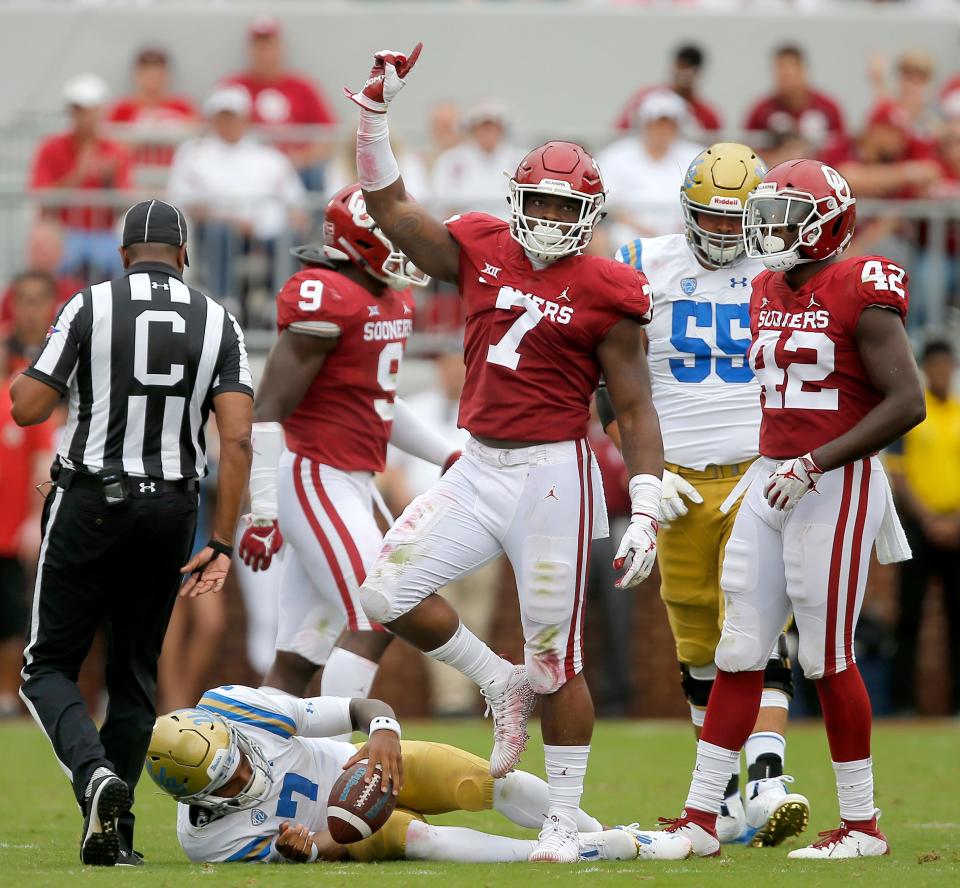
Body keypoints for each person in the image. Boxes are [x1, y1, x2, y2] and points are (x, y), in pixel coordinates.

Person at [345, 45, 667, 863]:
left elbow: (632, 404)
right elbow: (390, 207)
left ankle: (563, 815)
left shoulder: (610, 289)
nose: (552, 222)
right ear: (517, 200)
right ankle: (495, 680)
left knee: (556, 655)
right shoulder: (482, 245)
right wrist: (375, 117)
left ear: (589, 216)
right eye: (541, 205)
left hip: (558, 475)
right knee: (386, 590)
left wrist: (651, 499)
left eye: (567, 210)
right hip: (480, 462)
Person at [659, 159, 926, 859]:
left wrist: (816, 463)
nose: (769, 230)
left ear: (826, 223)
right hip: (770, 477)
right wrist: (783, 465)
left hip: (831, 483)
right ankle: (699, 818)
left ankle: (863, 826)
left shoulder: (860, 284)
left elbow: (907, 402)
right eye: (767, 216)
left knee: (826, 657)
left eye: (785, 217)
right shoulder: (766, 289)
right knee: (739, 648)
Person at [12, 199, 254, 867]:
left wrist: (40, 361)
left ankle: (93, 776)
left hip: (92, 497)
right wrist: (224, 540)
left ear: (123, 255)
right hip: (174, 509)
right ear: (183, 255)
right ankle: (115, 841)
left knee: (48, 666)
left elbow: (28, 408)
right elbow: (235, 438)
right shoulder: (220, 320)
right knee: (134, 675)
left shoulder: (89, 305)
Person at [605, 143, 809, 848]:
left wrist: (784, 458)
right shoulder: (640, 264)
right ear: (685, 212)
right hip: (677, 481)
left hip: (757, 469)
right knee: (696, 639)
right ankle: (719, 798)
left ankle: (768, 774)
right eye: (709, 220)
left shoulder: (784, 272)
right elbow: (608, 379)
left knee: (757, 623)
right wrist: (642, 474)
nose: (724, 235)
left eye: (735, 223)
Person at [237, 183, 460, 705]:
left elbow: (381, 401)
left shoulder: (389, 297)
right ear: (363, 239)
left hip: (349, 481)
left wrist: (447, 454)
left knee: (299, 654)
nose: (408, 247)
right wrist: (263, 514)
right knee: (380, 613)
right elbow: (268, 412)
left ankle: (251, 766)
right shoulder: (325, 294)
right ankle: (348, 758)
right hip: (315, 474)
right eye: (395, 235)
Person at [146, 685, 691, 864]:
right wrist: (312, 848)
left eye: (239, 761)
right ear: (201, 799)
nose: (245, 777)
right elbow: (311, 849)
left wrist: (383, 732)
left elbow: (360, 706)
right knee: (421, 838)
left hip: (360, 766)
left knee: (495, 782)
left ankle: (595, 830)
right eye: (230, 785)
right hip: (342, 828)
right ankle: (569, 853)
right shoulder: (206, 839)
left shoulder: (234, 706)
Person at [384, 349, 502, 717]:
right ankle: (450, 703)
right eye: (447, 365)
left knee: (477, 614)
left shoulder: (489, 411)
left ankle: (471, 700)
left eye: (459, 365)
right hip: (428, 529)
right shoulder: (415, 407)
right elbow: (393, 470)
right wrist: (417, 514)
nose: (452, 373)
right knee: (435, 610)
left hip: (480, 526)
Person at [167, 85, 307, 318]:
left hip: (265, 233)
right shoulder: (193, 154)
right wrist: (229, 220)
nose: (228, 124)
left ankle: (280, 301)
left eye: (232, 117)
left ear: (245, 119)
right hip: (214, 231)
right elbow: (182, 200)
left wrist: (284, 222)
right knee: (219, 232)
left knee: (288, 238)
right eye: (222, 117)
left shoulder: (269, 157)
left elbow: (297, 203)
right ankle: (224, 300)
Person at [887, 340, 960, 715]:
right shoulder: (912, 411)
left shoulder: (958, 413)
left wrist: (954, 520)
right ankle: (902, 704)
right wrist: (930, 519)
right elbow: (898, 477)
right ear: (925, 369)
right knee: (909, 616)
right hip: (918, 526)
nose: (941, 372)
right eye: (935, 365)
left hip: (956, 525)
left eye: (947, 365)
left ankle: (955, 707)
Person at [30, 74, 133, 281]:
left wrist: (108, 179)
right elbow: (40, 194)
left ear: (100, 111)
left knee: (121, 265)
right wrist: (77, 176)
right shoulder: (51, 147)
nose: (83, 116)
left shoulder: (116, 151)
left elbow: (124, 203)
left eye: (88, 109)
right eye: (77, 109)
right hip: (62, 233)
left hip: (104, 235)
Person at [0, 341, 55, 718]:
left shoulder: (19, 396)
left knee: (11, 614)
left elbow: (42, 464)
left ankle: (6, 697)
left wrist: (33, 522)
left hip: (9, 532)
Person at [223, 15, 337, 190]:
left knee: (318, 177)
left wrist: (302, 158)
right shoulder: (234, 87)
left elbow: (327, 134)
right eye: (259, 46)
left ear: (280, 48)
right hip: (248, 168)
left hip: (298, 169)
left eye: (269, 45)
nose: (264, 52)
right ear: (250, 49)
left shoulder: (302, 86)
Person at [598, 90, 704, 239]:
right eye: (656, 124)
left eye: (669, 124)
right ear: (644, 124)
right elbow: (608, 203)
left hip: (684, 237)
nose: (662, 130)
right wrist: (638, 227)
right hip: (627, 235)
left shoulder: (697, 157)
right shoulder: (616, 155)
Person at [107, 46, 198, 169]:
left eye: (157, 72)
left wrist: (168, 127)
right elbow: (108, 146)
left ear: (166, 75)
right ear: (137, 75)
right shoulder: (122, 109)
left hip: (173, 176)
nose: (152, 78)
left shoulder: (182, 107)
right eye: (146, 72)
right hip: (133, 178)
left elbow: (196, 141)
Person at [743, 45, 845, 154]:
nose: (784, 76)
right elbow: (748, 151)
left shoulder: (828, 108)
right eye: (779, 71)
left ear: (803, 71)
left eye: (789, 72)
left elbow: (841, 149)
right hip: (776, 169)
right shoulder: (761, 111)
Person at [430, 99, 521, 220]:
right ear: (472, 129)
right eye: (483, 126)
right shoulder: (451, 160)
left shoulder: (518, 160)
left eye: (493, 126)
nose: (489, 132)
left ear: (501, 129)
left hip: (508, 229)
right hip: (465, 229)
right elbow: (442, 201)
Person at [614, 44, 722, 136]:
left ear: (697, 74)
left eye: (687, 72)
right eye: (680, 68)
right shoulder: (645, 99)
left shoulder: (707, 116)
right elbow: (620, 133)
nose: (682, 76)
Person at [0, 221, 85, 326]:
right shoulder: (13, 292)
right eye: (36, 247)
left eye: (47, 247)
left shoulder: (76, 294)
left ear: (62, 252)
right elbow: (4, 330)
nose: (41, 254)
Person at [4, 272, 59, 374]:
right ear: (12, 304)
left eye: (39, 301)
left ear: (52, 303)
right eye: (23, 300)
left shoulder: (63, 343)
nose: (31, 310)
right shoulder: (3, 342)